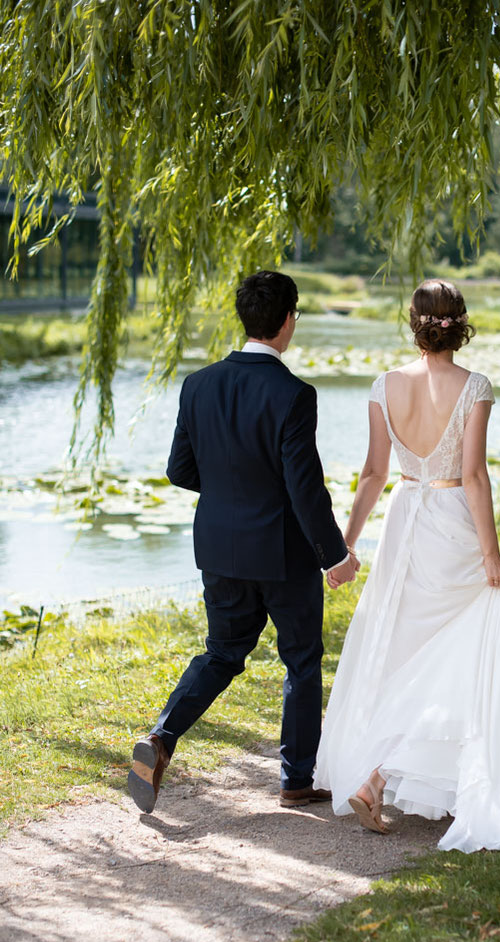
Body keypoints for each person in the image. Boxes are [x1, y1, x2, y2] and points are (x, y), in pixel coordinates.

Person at [314, 279, 500, 853]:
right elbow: (475, 473)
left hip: (407, 522)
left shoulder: (385, 386)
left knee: (409, 654)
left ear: (416, 323)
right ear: (460, 324)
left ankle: (376, 776)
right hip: (453, 521)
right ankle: (379, 777)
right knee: (468, 642)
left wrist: (346, 545)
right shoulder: (474, 386)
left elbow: (373, 474)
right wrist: (491, 553)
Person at [127, 270, 358, 815]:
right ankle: (295, 780)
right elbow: (304, 490)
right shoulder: (294, 394)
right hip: (282, 554)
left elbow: (179, 469)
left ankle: (161, 737)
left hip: (220, 546)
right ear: (286, 321)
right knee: (301, 660)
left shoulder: (198, 384)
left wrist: (234, 491)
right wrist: (336, 556)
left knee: (224, 652)